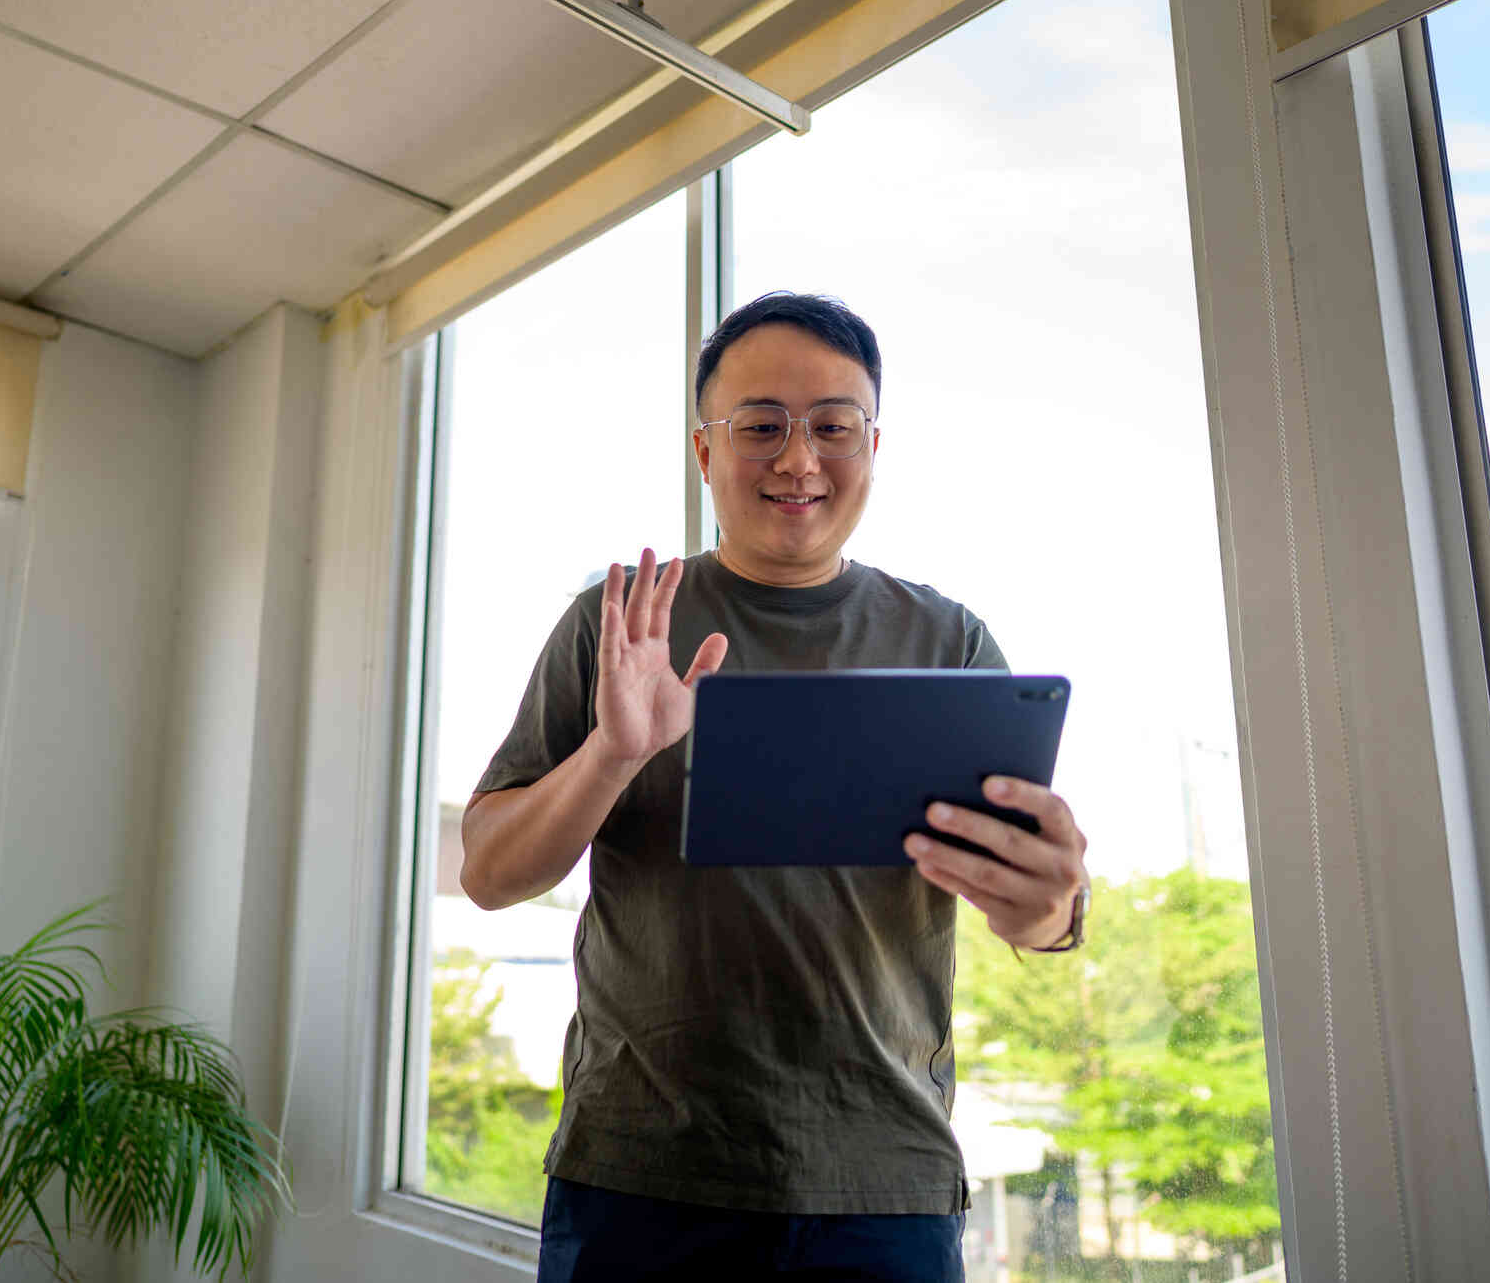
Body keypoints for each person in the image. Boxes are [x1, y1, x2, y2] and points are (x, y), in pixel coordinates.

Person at [459, 292, 1092, 1282]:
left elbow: (1027, 898)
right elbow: (492, 873)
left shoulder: (949, 644)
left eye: (833, 427)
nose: (799, 459)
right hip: (641, 1171)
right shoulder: (619, 619)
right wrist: (612, 754)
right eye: (761, 426)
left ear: (873, 446)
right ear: (706, 450)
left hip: (881, 1179)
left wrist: (1055, 910)